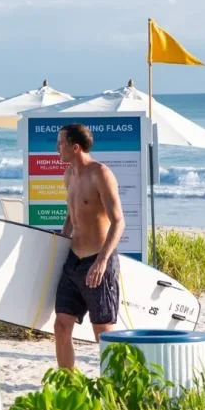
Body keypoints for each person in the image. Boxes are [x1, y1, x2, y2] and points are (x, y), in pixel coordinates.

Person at [53, 122, 125, 369]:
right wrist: (63, 235)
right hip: (73, 261)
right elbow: (73, 212)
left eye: (60, 143)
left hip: (97, 261)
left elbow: (118, 222)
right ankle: (68, 384)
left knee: (103, 332)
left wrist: (102, 261)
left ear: (75, 147)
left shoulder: (100, 173)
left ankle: (115, 388)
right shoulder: (69, 175)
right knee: (61, 326)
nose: (57, 148)